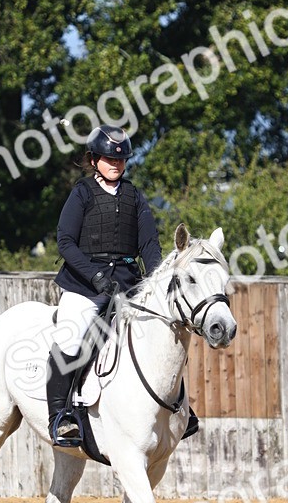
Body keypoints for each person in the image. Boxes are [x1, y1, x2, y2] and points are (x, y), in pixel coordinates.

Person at [46, 124, 198, 446]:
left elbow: (149, 245)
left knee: (161, 334)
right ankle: (61, 416)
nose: (115, 165)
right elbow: (65, 242)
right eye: (108, 159)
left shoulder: (134, 195)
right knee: (72, 337)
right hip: (85, 283)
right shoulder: (82, 193)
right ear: (94, 159)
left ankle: (182, 408)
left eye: (121, 160)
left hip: (128, 283)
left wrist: (156, 279)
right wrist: (97, 277)